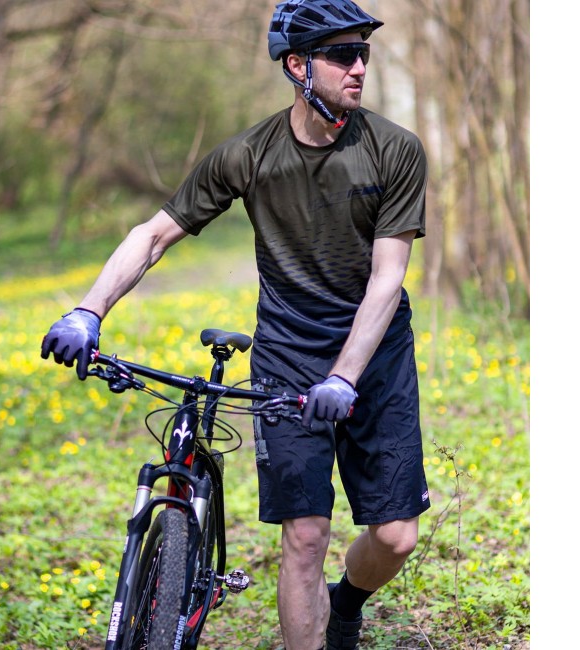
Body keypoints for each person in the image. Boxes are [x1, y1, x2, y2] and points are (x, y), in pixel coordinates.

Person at [41, 1, 431, 648]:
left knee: (395, 537)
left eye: (363, 53)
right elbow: (154, 234)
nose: (359, 67)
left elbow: (387, 279)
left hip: (375, 355)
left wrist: (345, 376)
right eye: (343, 54)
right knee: (305, 536)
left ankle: (346, 603)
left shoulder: (394, 150)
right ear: (298, 65)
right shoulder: (250, 154)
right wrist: (88, 310)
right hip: (288, 354)